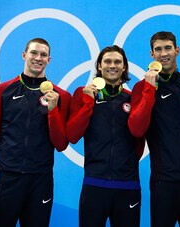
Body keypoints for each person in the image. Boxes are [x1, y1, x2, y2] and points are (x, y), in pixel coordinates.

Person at [0, 38, 71, 227]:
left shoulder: (62, 97)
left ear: (49, 60)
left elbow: (61, 144)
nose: (38, 58)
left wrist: (52, 110)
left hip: (40, 181)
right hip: (8, 179)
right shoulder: (0, 91)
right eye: (34, 52)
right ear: (24, 55)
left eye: (43, 55)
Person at [128, 31, 180, 227]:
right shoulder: (142, 88)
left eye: (168, 48)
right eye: (158, 49)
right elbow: (136, 130)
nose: (163, 53)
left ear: (177, 50)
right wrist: (150, 90)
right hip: (163, 182)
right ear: (152, 55)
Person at [66, 45, 145, 227]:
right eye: (107, 61)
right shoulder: (83, 94)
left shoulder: (131, 98)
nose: (112, 65)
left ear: (124, 67)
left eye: (118, 62)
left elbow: (139, 139)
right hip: (94, 184)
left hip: (128, 185)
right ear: (99, 66)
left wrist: (126, 162)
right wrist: (88, 104)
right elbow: (72, 135)